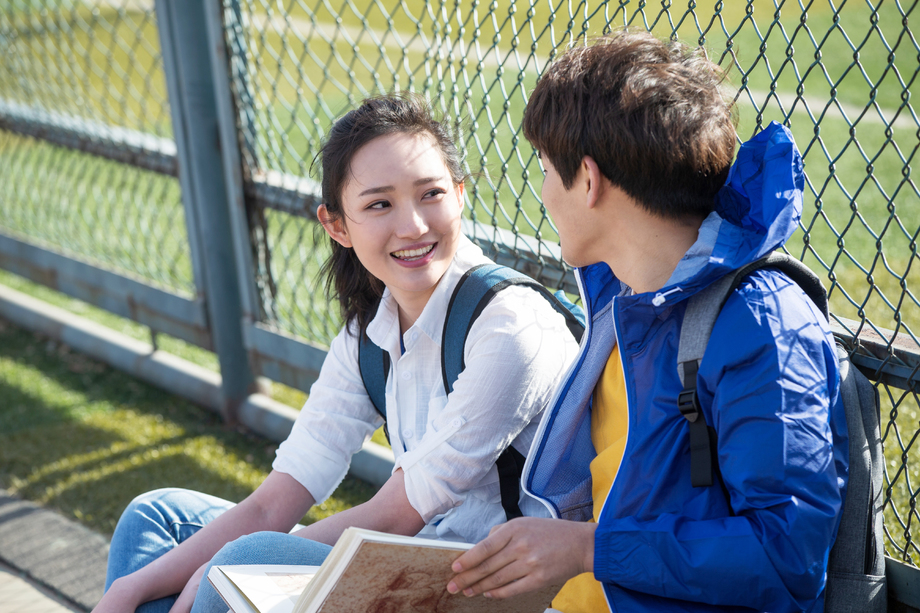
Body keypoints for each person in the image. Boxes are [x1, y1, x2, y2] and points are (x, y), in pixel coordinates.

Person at [93, 93, 579, 613]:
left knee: (240, 565)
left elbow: (397, 515)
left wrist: (232, 563)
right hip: (418, 566)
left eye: (431, 194)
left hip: (501, 590)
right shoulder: (369, 331)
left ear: (459, 195)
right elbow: (271, 505)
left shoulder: (510, 325)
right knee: (157, 516)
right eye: (379, 204)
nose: (413, 225)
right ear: (337, 226)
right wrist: (129, 589)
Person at [447, 30, 847, 612]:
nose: (540, 191)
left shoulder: (762, 324)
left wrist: (588, 550)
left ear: (588, 180)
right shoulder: (623, 304)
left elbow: (787, 558)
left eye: (544, 169)